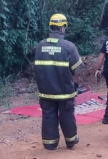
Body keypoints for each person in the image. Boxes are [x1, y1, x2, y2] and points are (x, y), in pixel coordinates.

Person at [34, 13, 83, 150]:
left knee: (48, 115)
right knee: (67, 114)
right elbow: (78, 69)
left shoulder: (40, 46)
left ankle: (50, 143)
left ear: (51, 27)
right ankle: (71, 140)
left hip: (46, 90)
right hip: (64, 91)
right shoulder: (68, 46)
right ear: (63, 28)